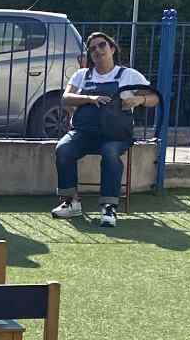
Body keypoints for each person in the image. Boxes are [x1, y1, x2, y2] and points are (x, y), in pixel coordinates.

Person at [50, 31, 156, 228]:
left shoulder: (129, 75)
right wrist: (90, 99)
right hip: (84, 133)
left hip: (116, 136)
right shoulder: (82, 75)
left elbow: (154, 98)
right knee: (63, 149)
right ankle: (71, 202)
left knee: (110, 152)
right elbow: (65, 98)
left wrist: (139, 99)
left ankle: (109, 207)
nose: (97, 50)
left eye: (102, 45)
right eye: (92, 49)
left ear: (112, 48)